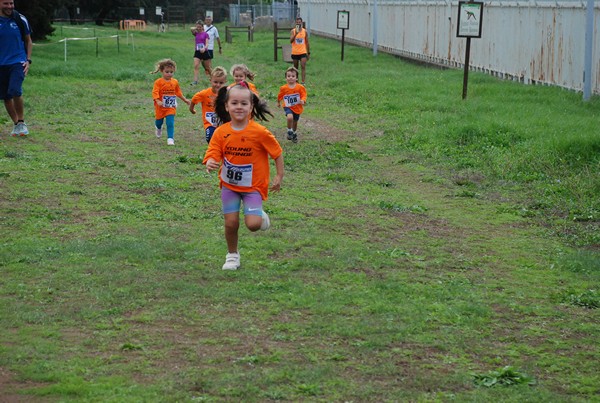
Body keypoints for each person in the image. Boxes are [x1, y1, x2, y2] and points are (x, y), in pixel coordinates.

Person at [203, 82, 284, 270]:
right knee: (231, 223)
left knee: (253, 225)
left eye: (244, 103)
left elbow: (277, 153)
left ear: (251, 107)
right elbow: (213, 151)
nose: (239, 107)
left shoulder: (259, 132)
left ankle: (259, 216)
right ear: (226, 106)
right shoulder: (221, 132)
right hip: (229, 185)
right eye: (234, 103)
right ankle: (232, 255)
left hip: (252, 187)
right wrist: (210, 162)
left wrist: (279, 176)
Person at [0, 0, 32, 137]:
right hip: (1, 64)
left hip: (17, 61)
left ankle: (21, 121)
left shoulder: (20, 19)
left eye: (11, 3)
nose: (9, 6)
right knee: (6, 96)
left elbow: (28, 40)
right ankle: (17, 125)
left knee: (14, 90)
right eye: (5, 4)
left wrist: (28, 60)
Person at [150, 58, 190, 146]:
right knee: (159, 122)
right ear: (161, 71)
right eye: (167, 72)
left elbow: (178, 92)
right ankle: (158, 128)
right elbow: (155, 92)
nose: (169, 74)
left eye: (171, 72)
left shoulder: (175, 82)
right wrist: (157, 100)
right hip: (160, 106)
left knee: (170, 122)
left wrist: (185, 100)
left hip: (170, 107)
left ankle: (170, 138)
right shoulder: (158, 82)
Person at [189, 66, 227, 143]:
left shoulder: (227, 93)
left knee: (225, 140)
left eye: (221, 83)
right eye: (215, 82)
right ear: (210, 81)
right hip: (209, 124)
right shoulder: (204, 94)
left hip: (224, 122)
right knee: (210, 138)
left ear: (225, 82)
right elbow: (194, 99)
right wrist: (191, 109)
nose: (218, 85)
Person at [277, 66, 307, 143]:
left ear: (296, 78)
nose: (291, 78)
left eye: (293, 76)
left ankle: (294, 133)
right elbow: (280, 95)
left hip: (297, 107)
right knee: (290, 117)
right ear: (286, 78)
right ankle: (289, 131)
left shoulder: (300, 87)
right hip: (288, 106)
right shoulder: (283, 88)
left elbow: (304, 94)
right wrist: (278, 102)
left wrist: (303, 100)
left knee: (295, 121)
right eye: (288, 76)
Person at [290, 17, 310, 85]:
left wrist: (308, 52)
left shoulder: (305, 31)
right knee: (296, 68)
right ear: (296, 23)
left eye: (299, 22)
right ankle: (296, 81)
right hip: (295, 52)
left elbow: (307, 42)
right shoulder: (293, 31)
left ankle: (303, 82)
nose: (298, 23)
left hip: (303, 51)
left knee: (303, 66)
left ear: (301, 23)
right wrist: (296, 33)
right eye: (297, 22)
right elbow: (291, 41)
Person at [190, 20, 210, 85]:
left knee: (207, 68)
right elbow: (191, 29)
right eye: (197, 27)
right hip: (197, 51)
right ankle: (195, 81)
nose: (198, 28)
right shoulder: (196, 33)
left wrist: (204, 48)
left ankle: (213, 78)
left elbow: (207, 43)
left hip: (204, 51)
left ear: (202, 27)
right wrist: (197, 28)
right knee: (196, 66)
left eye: (200, 27)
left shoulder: (205, 34)